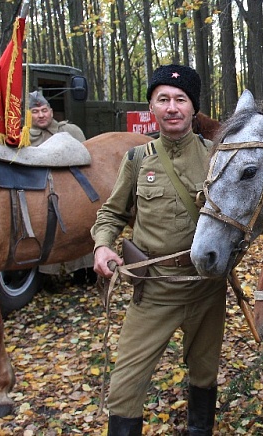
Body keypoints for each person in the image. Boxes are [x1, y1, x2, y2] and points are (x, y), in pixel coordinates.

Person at [91, 64, 226, 436]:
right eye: (163, 99)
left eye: (180, 100)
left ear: (193, 108)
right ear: (151, 107)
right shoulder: (138, 159)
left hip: (206, 288)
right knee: (125, 386)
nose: (172, 107)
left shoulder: (217, 157)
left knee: (204, 373)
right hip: (154, 290)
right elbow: (112, 213)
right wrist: (102, 246)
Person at [27, 91, 94, 284]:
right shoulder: (25, 136)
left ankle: (86, 271)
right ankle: (49, 276)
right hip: (41, 193)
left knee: (81, 228)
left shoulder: (69, 131)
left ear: (51, 111)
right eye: (35, 111)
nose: (41, 115)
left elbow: (86, 157)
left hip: (73, 190)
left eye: (44, 110)